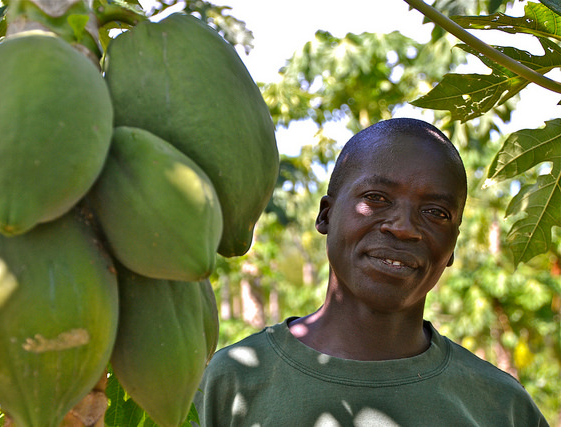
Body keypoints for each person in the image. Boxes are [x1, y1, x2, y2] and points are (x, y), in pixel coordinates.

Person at [193, 118, 549, 426]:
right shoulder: (230, 383)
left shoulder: (503, 407)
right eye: (377, 198)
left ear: (453, 244)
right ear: (326, 215)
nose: (404, 227)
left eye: (436, 212)